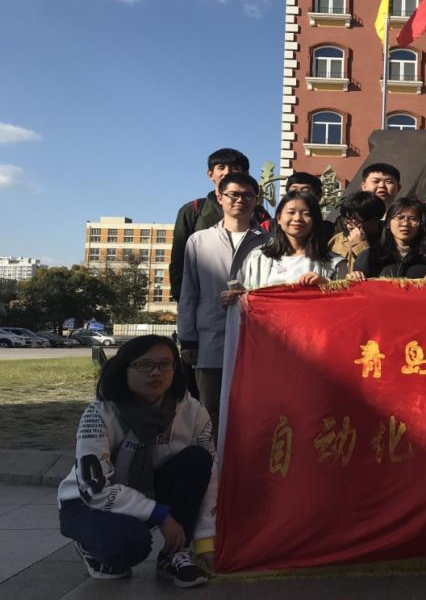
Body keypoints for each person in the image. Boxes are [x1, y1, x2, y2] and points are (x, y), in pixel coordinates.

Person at [57, 335, 217, 587]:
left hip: (150, 491)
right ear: (124, 368)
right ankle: (89, 545)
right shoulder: (99, 413)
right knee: (128, 544)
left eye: (165, 364)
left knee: (197, 459)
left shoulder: (193, 411)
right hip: (88, 501)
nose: (156, 372)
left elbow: (210, 476)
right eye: (144, 365)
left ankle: (174, 554)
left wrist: (206, 539)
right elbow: (95, 489)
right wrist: (160, 515)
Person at [177, 173, 268, 432]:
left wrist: (249, 297)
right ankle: (211, 458)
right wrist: (188, 339)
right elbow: (188, 293)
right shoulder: (199, 240)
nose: (241, 200)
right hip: (210, 340)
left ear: (256, 200)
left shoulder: (269, 242)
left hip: (255, 342)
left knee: (252, 411)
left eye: (248, 195)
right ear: (220, 197)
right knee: (210, 414)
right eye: (234, 194)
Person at [170, 148, 268, 301]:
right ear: (210, 174)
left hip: (248, 302)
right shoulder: (193, 210)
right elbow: (179, 258)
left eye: (235, 168)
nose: (227, 172)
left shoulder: (259, 213)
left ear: (246, 174)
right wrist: (180, 296)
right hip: (204, 299)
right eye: (221, 167)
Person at [224, 191, 343, 300]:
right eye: (291, 212)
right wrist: (235, 299)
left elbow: (344, 304)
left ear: (315, 220)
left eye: (306, 214)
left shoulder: (335, 264)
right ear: (279, 218)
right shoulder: (259, 259)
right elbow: (249, 301)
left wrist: (327, 287)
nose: (297, 218)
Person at [352, 198, 426, 284]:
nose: (405, 224)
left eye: (413, 219)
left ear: (421, 224)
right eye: (400, 218)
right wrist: (354, 278)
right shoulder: (369, 256)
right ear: (388, 223)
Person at [328, 192, 386, 272]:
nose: (349, 226)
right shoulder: (337, 240)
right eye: (347, 221)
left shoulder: (388, 242)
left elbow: (381, 272)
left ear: (374, 221)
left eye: (355, 222)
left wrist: (361, 246)